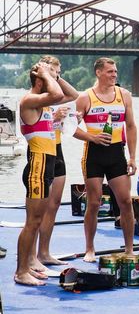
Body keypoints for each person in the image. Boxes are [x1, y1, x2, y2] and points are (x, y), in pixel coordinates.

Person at [15, 62, 75, 285]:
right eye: (50, 77)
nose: (55, 79)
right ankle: (21, 271)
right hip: (38, 165)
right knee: (33, 221)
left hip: (48, 164)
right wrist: (45, 74)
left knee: (37, 219)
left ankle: (28, 265)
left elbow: (71, 94)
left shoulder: (45, 104)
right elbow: (57, 93)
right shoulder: (29, 100)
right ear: (40, 81)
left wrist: (53, 75)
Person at [74, 58, 137, 262]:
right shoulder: (85, 97)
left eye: (115, 71)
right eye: (110, 72)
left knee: (126, 202)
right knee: (94, 202)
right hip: (93, 154)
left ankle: (129, 249)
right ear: (98, 73)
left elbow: (131, 126)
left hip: (117, 153)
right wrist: (91, 137)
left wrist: (133, 157)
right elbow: (69, 128)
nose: (114, 75)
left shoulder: (124, 95)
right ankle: (89, 249)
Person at [35, 56, 80, 267]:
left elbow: (74, 95)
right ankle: (30, 255)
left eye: (58, 71)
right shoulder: (39, 98)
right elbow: (31, 127)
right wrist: (54, 118)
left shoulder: (56, 98)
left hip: (57, 150)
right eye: (53, 71)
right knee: (39, 209)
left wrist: (58, 77)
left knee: (54, 205)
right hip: (41, 152)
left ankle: (44, 252)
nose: (56, 74)